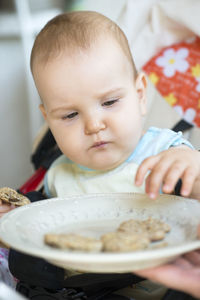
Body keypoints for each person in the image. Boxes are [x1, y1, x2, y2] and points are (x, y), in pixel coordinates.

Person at [2, 10, 200, 300]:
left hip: (167, 288)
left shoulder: (165, 151)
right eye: (70, 115)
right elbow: (37, 228)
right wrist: (15, 215)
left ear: (140, 94)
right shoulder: (58, 173)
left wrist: (193, 167)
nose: (94, 125)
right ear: (49, 120)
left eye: (109, 102)